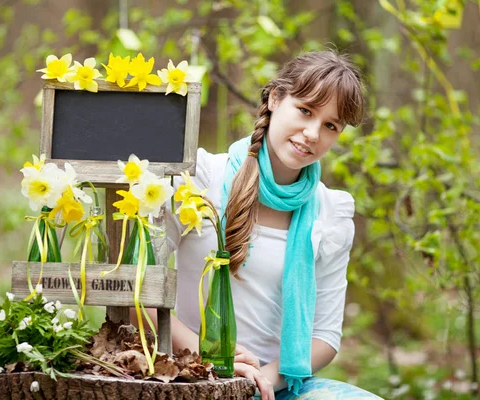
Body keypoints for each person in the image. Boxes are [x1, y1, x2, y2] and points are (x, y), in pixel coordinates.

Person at [136, 50, 382, 399]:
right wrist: (210, 359)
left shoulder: (331, 212)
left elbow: (325, 336)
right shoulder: (202, 179)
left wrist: (261, 379)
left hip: (276, 386)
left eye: (330, 125)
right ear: (276, 98)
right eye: (305, 111)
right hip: (190, 376)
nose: (312, 133)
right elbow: (138, 296)